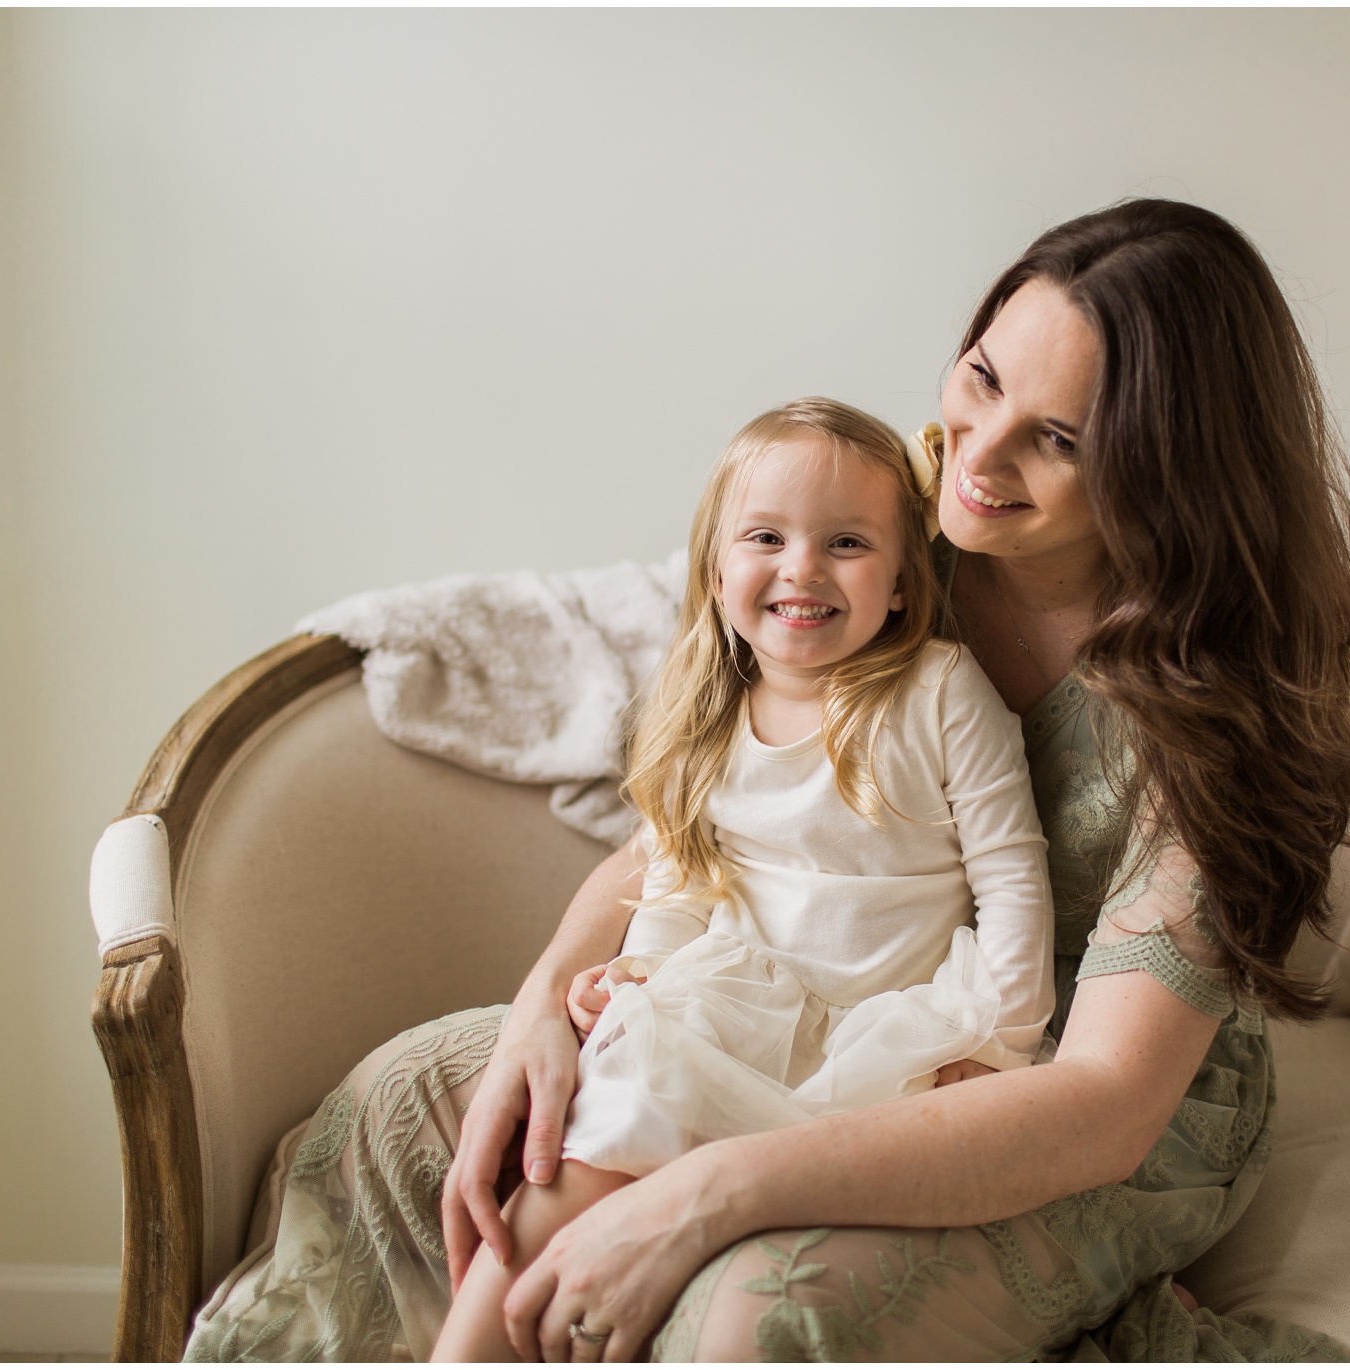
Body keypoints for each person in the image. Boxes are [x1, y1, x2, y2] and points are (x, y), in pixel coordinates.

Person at [183, 198, 1350, 1364]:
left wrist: (704, 1192)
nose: (973, 457)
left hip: (1057, 1083)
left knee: (754, 1312)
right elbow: (709, 826)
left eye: (1058, 439)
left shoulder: (1213, 699)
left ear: (1164, 469)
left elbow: (1102, 1095)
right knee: (429, 1104)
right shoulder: (884, 546)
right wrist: (542, 1003)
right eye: (979, 380)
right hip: (806, 997)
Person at [431, 397, 1056, 1361]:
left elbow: (1013, 877)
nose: (802, 567)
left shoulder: (939, 692)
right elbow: (682, 878)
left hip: (880, 1034)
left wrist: (1003, 1045)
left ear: (899, 583)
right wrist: (637, 973)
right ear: (718, 568)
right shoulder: (709, 715)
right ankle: (470, 1349)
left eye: (845, 542)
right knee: (575, 1158)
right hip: (730, 1010)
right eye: (766, 536)